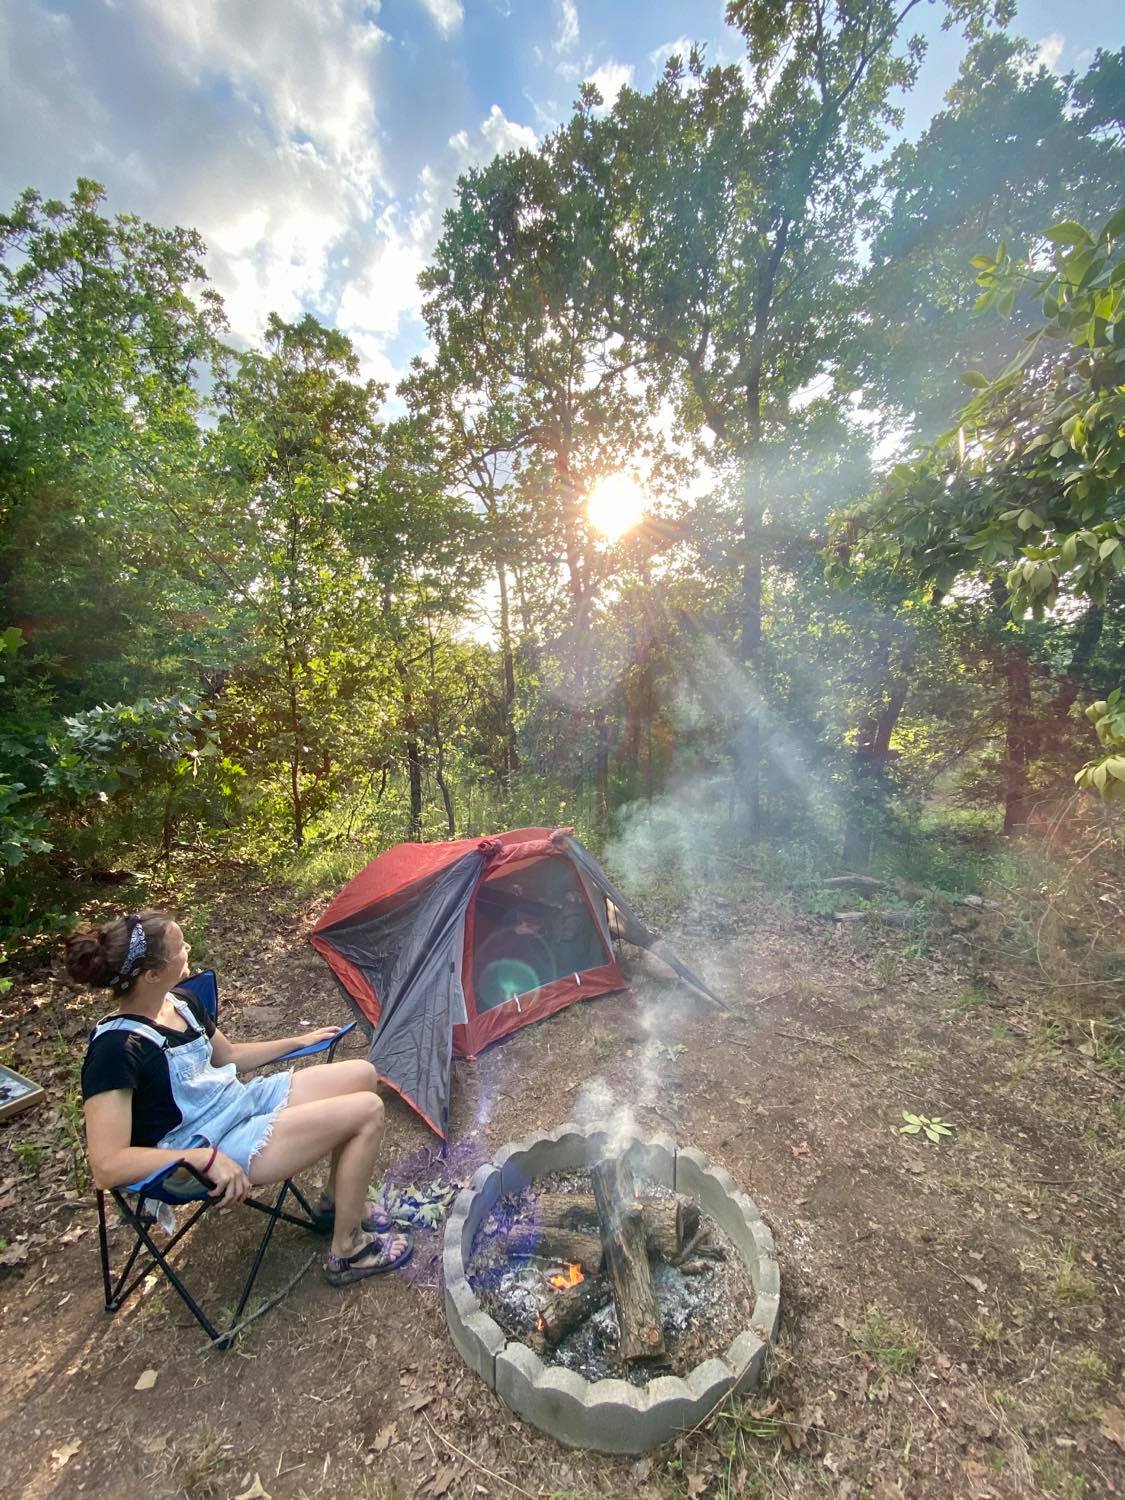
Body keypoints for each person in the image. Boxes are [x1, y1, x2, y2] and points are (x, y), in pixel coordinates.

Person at [67, 909, 411, 1286]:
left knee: (361, 1074)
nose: (189, 949)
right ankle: (348, 1250)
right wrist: (201, 1157)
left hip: (237, 1104)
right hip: (197, 1152)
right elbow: (107, 1165)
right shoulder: (117, 1049)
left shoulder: (180, 1003)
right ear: (152, 974)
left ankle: (334, 1202)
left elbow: (229, 1057)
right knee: (367, 1111)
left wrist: (300, 1041)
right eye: (181, 946)